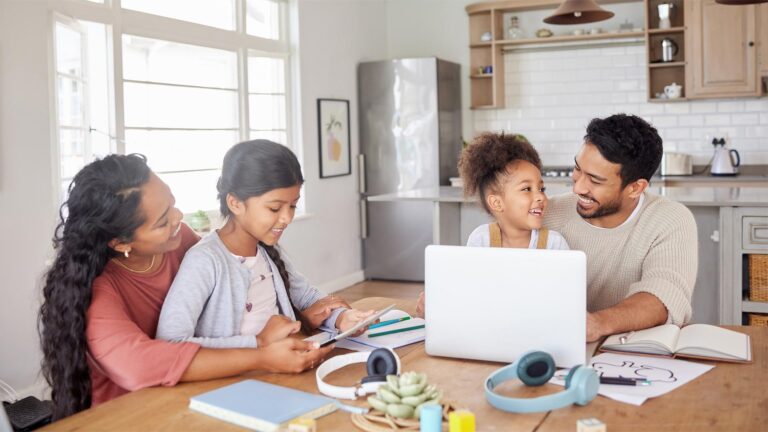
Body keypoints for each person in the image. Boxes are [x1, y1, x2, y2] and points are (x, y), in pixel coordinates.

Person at [39, 154, 336, 420]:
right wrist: (260, 349)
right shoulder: (101, 293)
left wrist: (301, 312)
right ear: (121, 242)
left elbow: (235, 291)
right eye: (162, 221)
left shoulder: (181, 241)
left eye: (172, 204)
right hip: (133, 413)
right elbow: (140, 367)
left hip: (194, 394)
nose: (178, 219)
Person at [156, 140, 374, 348]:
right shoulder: (205, 260)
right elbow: (171, 341)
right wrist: (258, 343)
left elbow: (307, 298)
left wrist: (342, 319)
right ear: (235, 203)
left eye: (293, 206)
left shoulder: (267, 251)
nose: (287, 218)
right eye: (274, 208)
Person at [544, 114, 697, 342]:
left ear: (635, 188)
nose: (578, 187)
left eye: (595, 181)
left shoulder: (670, 219)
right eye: (577, 170)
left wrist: (597, 324)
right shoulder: (548, 213)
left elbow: (663, 297)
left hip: (635, 353)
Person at [414, 132, 568, 317]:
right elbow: (468, 295)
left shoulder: (554, 244)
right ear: (496, 203)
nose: (540, 196)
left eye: (541, 188)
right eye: (527, 189)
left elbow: (564, 300)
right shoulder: (481, 240)